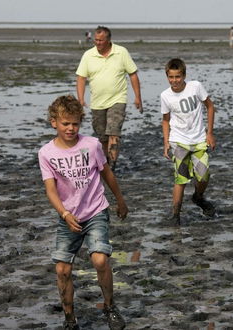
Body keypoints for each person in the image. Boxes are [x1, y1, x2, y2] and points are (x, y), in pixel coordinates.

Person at [38, 95, 128, 330]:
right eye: (65, 123)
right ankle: (70, 319)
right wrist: (65, 214)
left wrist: (120, 200)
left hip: (96, 211)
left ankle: (110, 307)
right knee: (62, 269)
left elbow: (106, 174)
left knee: (99, 259)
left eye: (75, 123)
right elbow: (50, 190)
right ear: (54, 122)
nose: (70, 128)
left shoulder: (92, 145)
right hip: (68, 217)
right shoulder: (46, 153)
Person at [76, 26, 143, 170]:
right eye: (96, 40)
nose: (98, 43)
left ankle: (112, 166)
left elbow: (133, 74)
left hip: (117, 100)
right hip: (97, 103)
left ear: (108, 40)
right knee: (102, 138)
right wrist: (80, 99)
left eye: (101, 40)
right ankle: (106, 164)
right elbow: (81, 78)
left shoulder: (121, 52)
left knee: (114, 134)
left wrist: (138, 97)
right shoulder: (88, 55)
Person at [160, 58, 216, 225]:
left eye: (178, 77)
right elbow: (165, 120)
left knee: (203, 175)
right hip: (179, 142)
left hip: (199, 140)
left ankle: (198, 197)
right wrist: (166, 142)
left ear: (184, 75)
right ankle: (175, 215)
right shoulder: (165, 96)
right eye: (171, 77)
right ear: (167, 77)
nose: (174, 81)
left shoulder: (195, 87)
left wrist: (210, 133)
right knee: (181, 179)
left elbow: (210, 107)